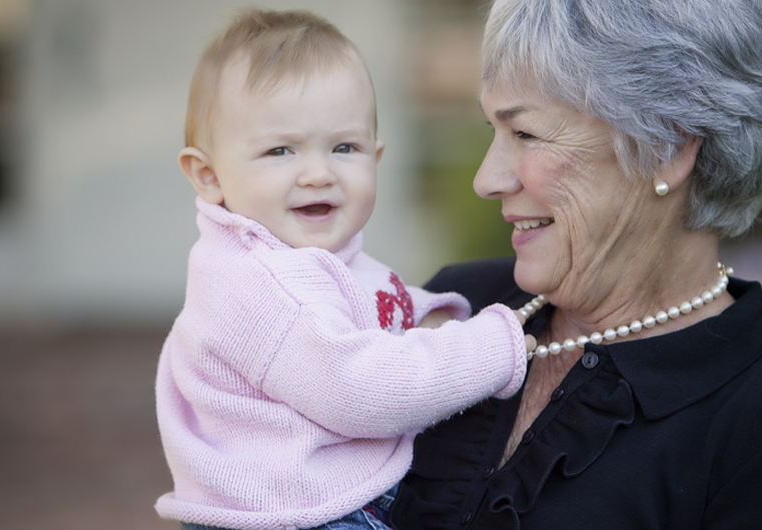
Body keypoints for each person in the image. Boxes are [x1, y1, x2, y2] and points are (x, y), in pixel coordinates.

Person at [389, 0, 762, 528]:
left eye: (526, 134)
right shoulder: (455, 306)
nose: (485, 180)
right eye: (492, 130)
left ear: (667, 147)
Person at [154, 9, 532, 530]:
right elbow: (358, 390)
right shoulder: (257, 284)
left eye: (344, 148)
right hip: (291, 516)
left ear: (375, 157)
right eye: (280, 150)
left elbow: (365, 297)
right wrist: (489, 349)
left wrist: (428, 315)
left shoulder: (300, 252)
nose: (318, 173)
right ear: (208, 175)